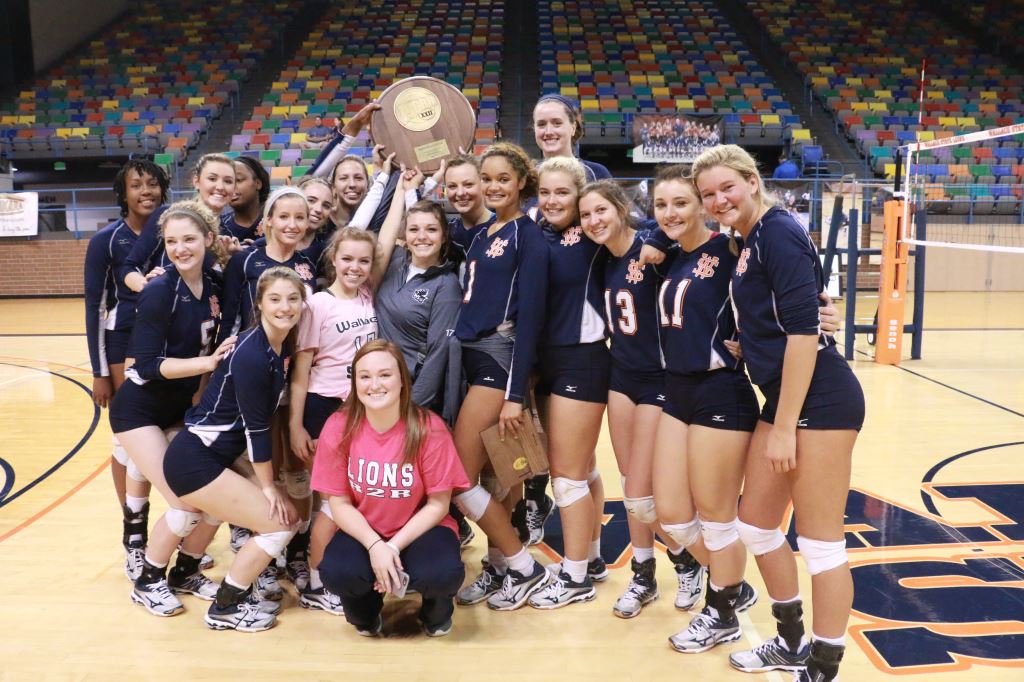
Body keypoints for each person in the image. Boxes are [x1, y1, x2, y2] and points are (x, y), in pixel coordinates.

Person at [692, 144, 864, 682]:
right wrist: (751, 342)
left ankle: (825, 663)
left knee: (819, 542)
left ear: (751, 180)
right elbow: (790, 310)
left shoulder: (779, 230)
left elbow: (804, 335)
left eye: (727, 188)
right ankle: (790, 642)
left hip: (820, 399)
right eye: (709, 195)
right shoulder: (746, 238)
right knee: (758, 527)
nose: (719, 200)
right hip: (785, 393)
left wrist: (785, 426)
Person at [576, 180, 709, 619]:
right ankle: (643, 575)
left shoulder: (654, 250)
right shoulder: (600, 260)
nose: (594, 221)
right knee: (631, 480)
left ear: (620, 208)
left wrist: (653, 235)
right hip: (621, 376)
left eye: (601, 211)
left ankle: (689, 561)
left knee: (640, 494)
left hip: (659, 380)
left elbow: (677, 231)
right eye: (586, 215)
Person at [645, 165, 760, 652]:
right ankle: (731, 584)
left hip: (721, 391)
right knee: (669, 514)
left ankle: (722, 613)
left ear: (701, 206)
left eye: (681, 203)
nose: (670, 214)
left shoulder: (731, 249)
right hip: (677, 391)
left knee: (716, 517)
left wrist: (821, 309)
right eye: (661, 206)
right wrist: (656, 233)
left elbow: (777, 288)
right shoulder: (670, 256)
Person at [156, 266, 306, 631]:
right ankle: (226, 607)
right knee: (278, 525)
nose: (285, 307)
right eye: (275, 299)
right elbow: (257, 431)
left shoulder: (273, 345)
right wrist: (268, 487)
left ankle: (187, 573)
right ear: (260, 303)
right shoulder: (255, 354)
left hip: (211, 456)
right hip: (195, 459)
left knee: (280, 517)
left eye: (292, 298)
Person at [110, 201, 233, 617]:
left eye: (190, 239)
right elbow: (143, 364)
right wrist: (207, 364)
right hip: (139, 411)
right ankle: (147, 580)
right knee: (186, 502)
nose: (180, 248)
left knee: (219, 497)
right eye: (172, 241)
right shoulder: (159, 289)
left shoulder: (215, 285)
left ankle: (185, 571)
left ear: (208, 240)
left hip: (181, 410)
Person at [449, 142, 551, 611]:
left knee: (460, 476)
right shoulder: (485, 231)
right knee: (496, 478)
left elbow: (530, 319)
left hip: (498, 361)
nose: (492, 187)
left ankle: (523, 565)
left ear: (521, 184)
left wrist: (515, 392)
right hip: (470, 356)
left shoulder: (528, 237)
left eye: (501, 179)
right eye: (485, 178)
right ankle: (498, 567)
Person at [312, 340, 470, 637]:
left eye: (385, 375)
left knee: (442, 573)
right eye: (365, 376)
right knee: (337, 572)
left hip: (421, 529)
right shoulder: (338, 426)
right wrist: (375, 547)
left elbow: (438, 505)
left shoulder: (428, 428)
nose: (375, 384)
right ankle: (366, 611)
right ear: (355, 382)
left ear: (401, 380)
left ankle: (434, 612)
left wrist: (392, 548)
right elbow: (339, 504)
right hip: (365, 528)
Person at [522, 156, 609, 609]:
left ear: (580, 196)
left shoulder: (594, 232)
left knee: (567, 478)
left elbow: (644, 235)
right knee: (585, 467)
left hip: (584, 359)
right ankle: (591, 558)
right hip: (547, 363)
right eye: (546, 192)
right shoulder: (538, 230)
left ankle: (575, 578)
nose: (553, 200)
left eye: (563, 192)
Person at [287, 227, 379, 615]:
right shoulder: (317, 304)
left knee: (349, 498)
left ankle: (328, 573)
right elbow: (301, 369)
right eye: (347, 259)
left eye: (363, 260)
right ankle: (317, 583)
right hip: (324, 408)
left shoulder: (367, 297)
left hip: (358, 410)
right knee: (331, 501)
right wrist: (295, 425)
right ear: (333, 260)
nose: (355, 267)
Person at [84, 159, 168, 580]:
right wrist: (100, 371)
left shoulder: (174, 231)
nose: (146, 191)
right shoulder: (107, 241)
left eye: (152, 184)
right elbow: (95, 307)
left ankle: (169, 531)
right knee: (127, 442)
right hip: (123, 344)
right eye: (137, 185)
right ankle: (132, 531)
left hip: (168, 343)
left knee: (164, 436)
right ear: (124, 193)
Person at [373, 168, 463, 424]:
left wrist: (411, 409)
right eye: (414, 230)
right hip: (377, 388)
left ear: (444, 236)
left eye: (431, 230)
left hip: (412, 397)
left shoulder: (446, 285)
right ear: (405, 235)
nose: (421, 236)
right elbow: (388, 227)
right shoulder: (393, 260)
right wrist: (404, 187)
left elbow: (438, 356)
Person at [121, 154, 238, 293]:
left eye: (228, 181)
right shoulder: (168, 216)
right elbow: (129, 267)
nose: (220, 186)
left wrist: (232, 259)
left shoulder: (228, 235)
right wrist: (149, 289)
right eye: (212, 179)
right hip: (165, 310)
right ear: (196, 181)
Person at [217, 187, 318, 345]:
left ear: (307, 222)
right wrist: (222, 359)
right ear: (269, 220)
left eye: (299, 217)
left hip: (295, 357)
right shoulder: (243, 261)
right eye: (283, 217)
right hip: (252, 357)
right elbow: (229, 320)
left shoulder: (308, 264)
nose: (292, 225)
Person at [532, 95, 612, 182]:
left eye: (557, 123)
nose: (548, 132)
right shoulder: (528, 177)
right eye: (541, 124)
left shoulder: (596, 174)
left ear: (573, 127)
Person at [222, 156, 269, 242]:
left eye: (239, 180)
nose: (232, 187)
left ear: (258, 183)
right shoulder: (220, 227)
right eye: (228, 182)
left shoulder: (278, 217)